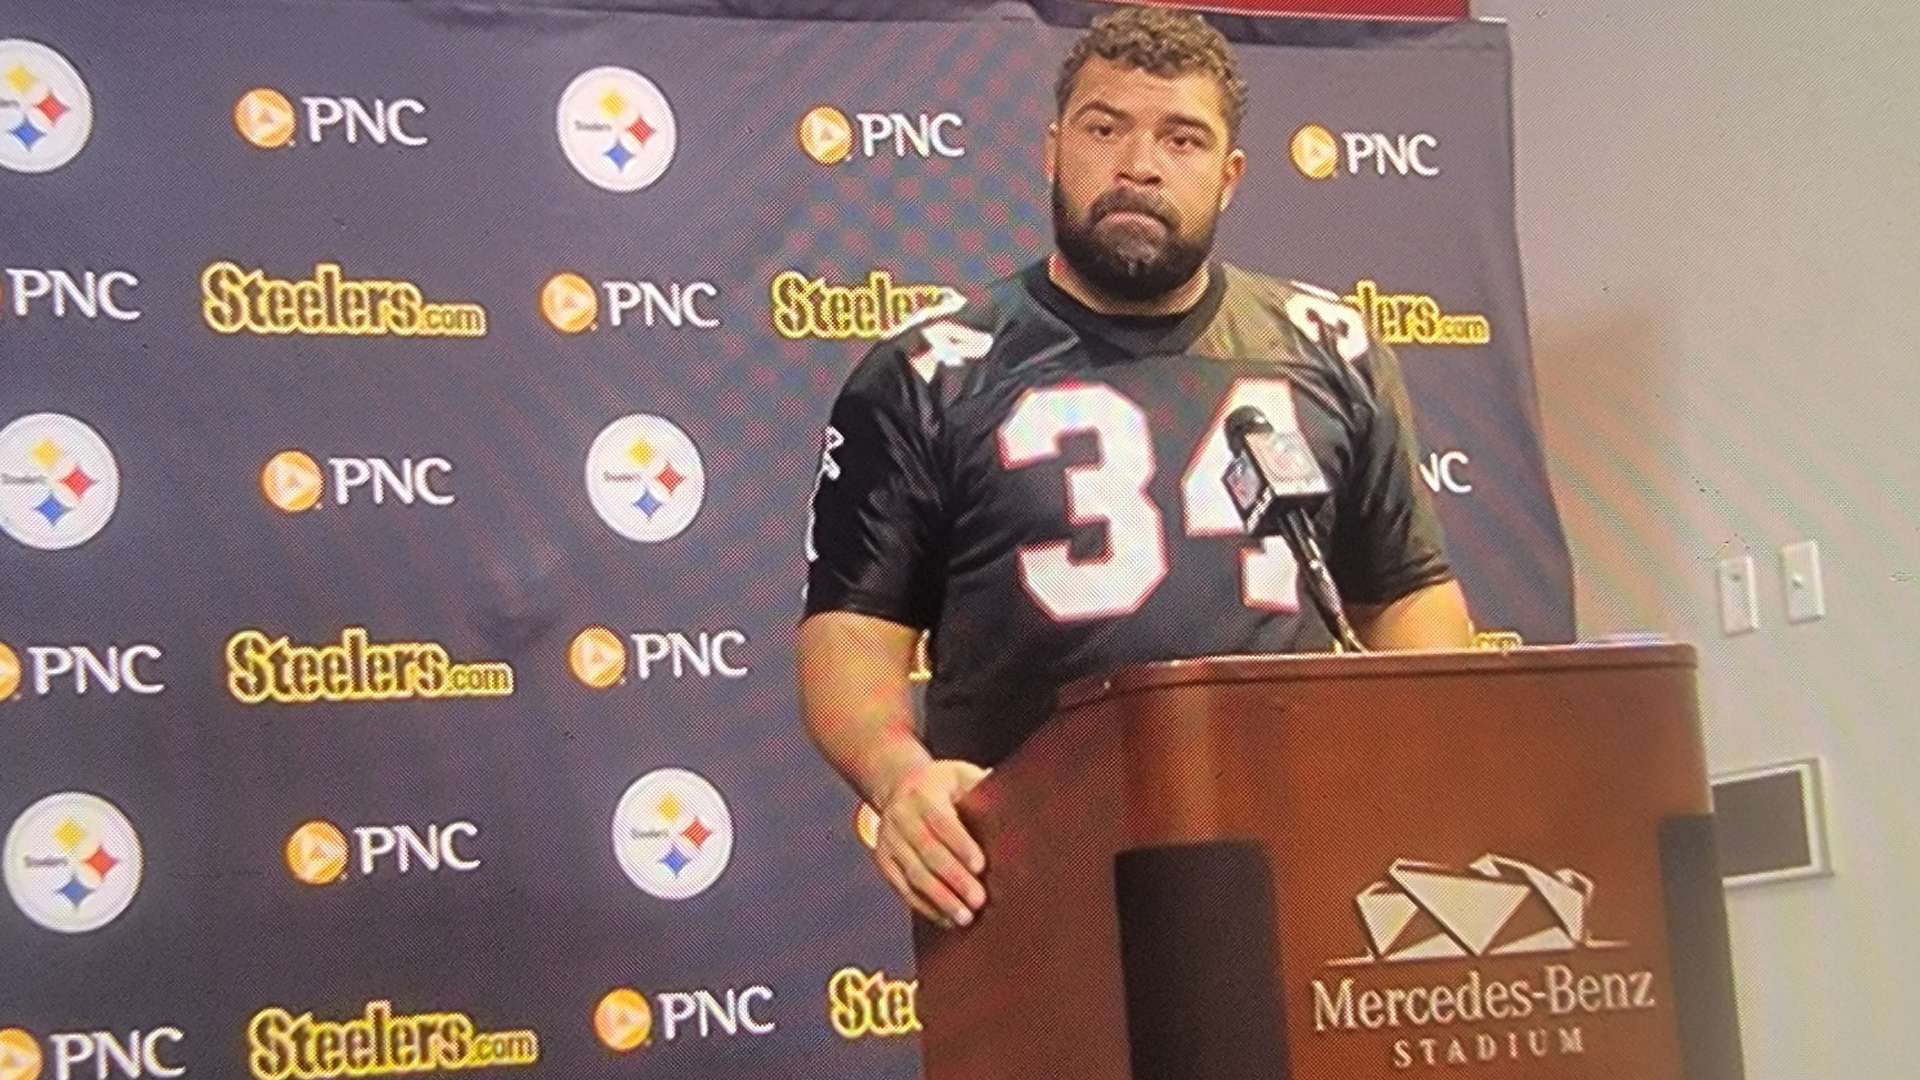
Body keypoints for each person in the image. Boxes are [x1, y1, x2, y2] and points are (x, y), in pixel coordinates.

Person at [796, 6, 1474, 931]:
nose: (1138, 164)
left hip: (1304, 855)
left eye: (1181, 138)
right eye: (1104, 127)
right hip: (1032, 876)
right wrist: (899, 775)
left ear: (1230, 177)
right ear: (1051, 151)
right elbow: (851, 633)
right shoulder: (926, 373)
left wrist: (1427, 773)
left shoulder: (1329, 350)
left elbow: (1405, 595)